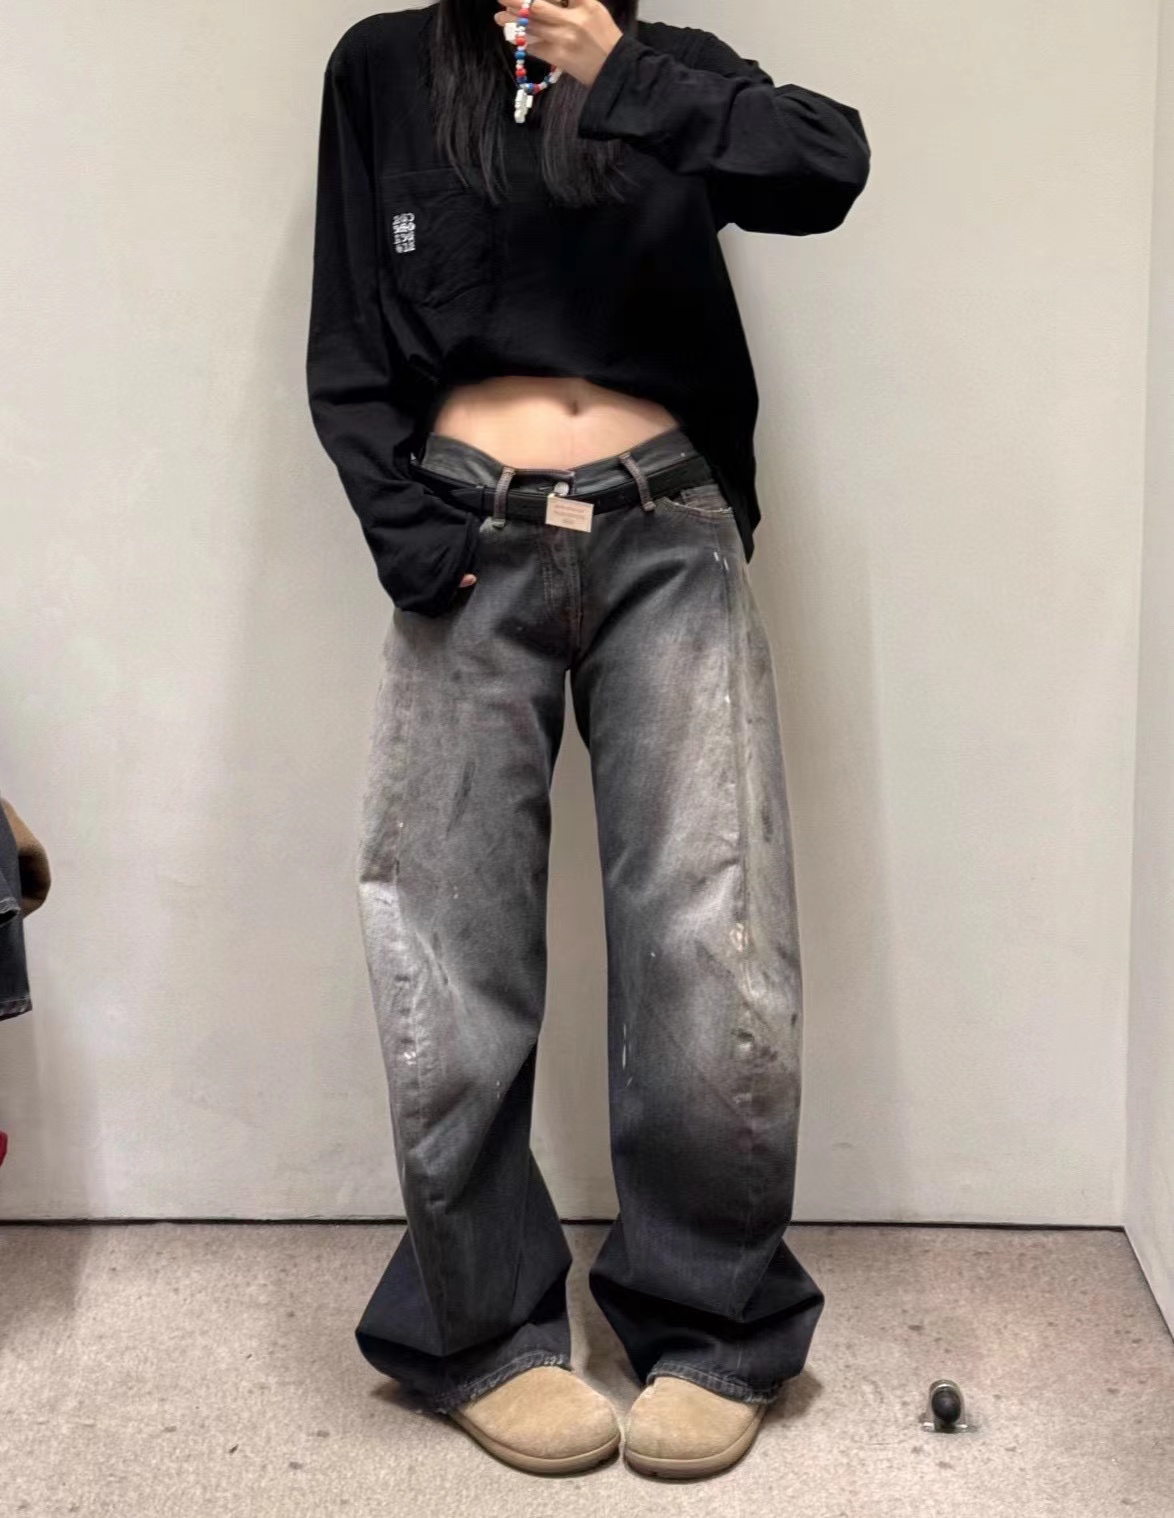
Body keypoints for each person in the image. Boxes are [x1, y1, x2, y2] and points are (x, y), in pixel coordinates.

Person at [306, 0, 869, 1480]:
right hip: (467, 539)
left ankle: (711, 1323)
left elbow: (825, 167)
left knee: (710, 935)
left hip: (667, 537)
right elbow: (350, 335)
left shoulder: (673, 63)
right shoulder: (383, 67)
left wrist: (623, 75)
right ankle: (481, 1330)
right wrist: (412, 538)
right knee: (447, 936)